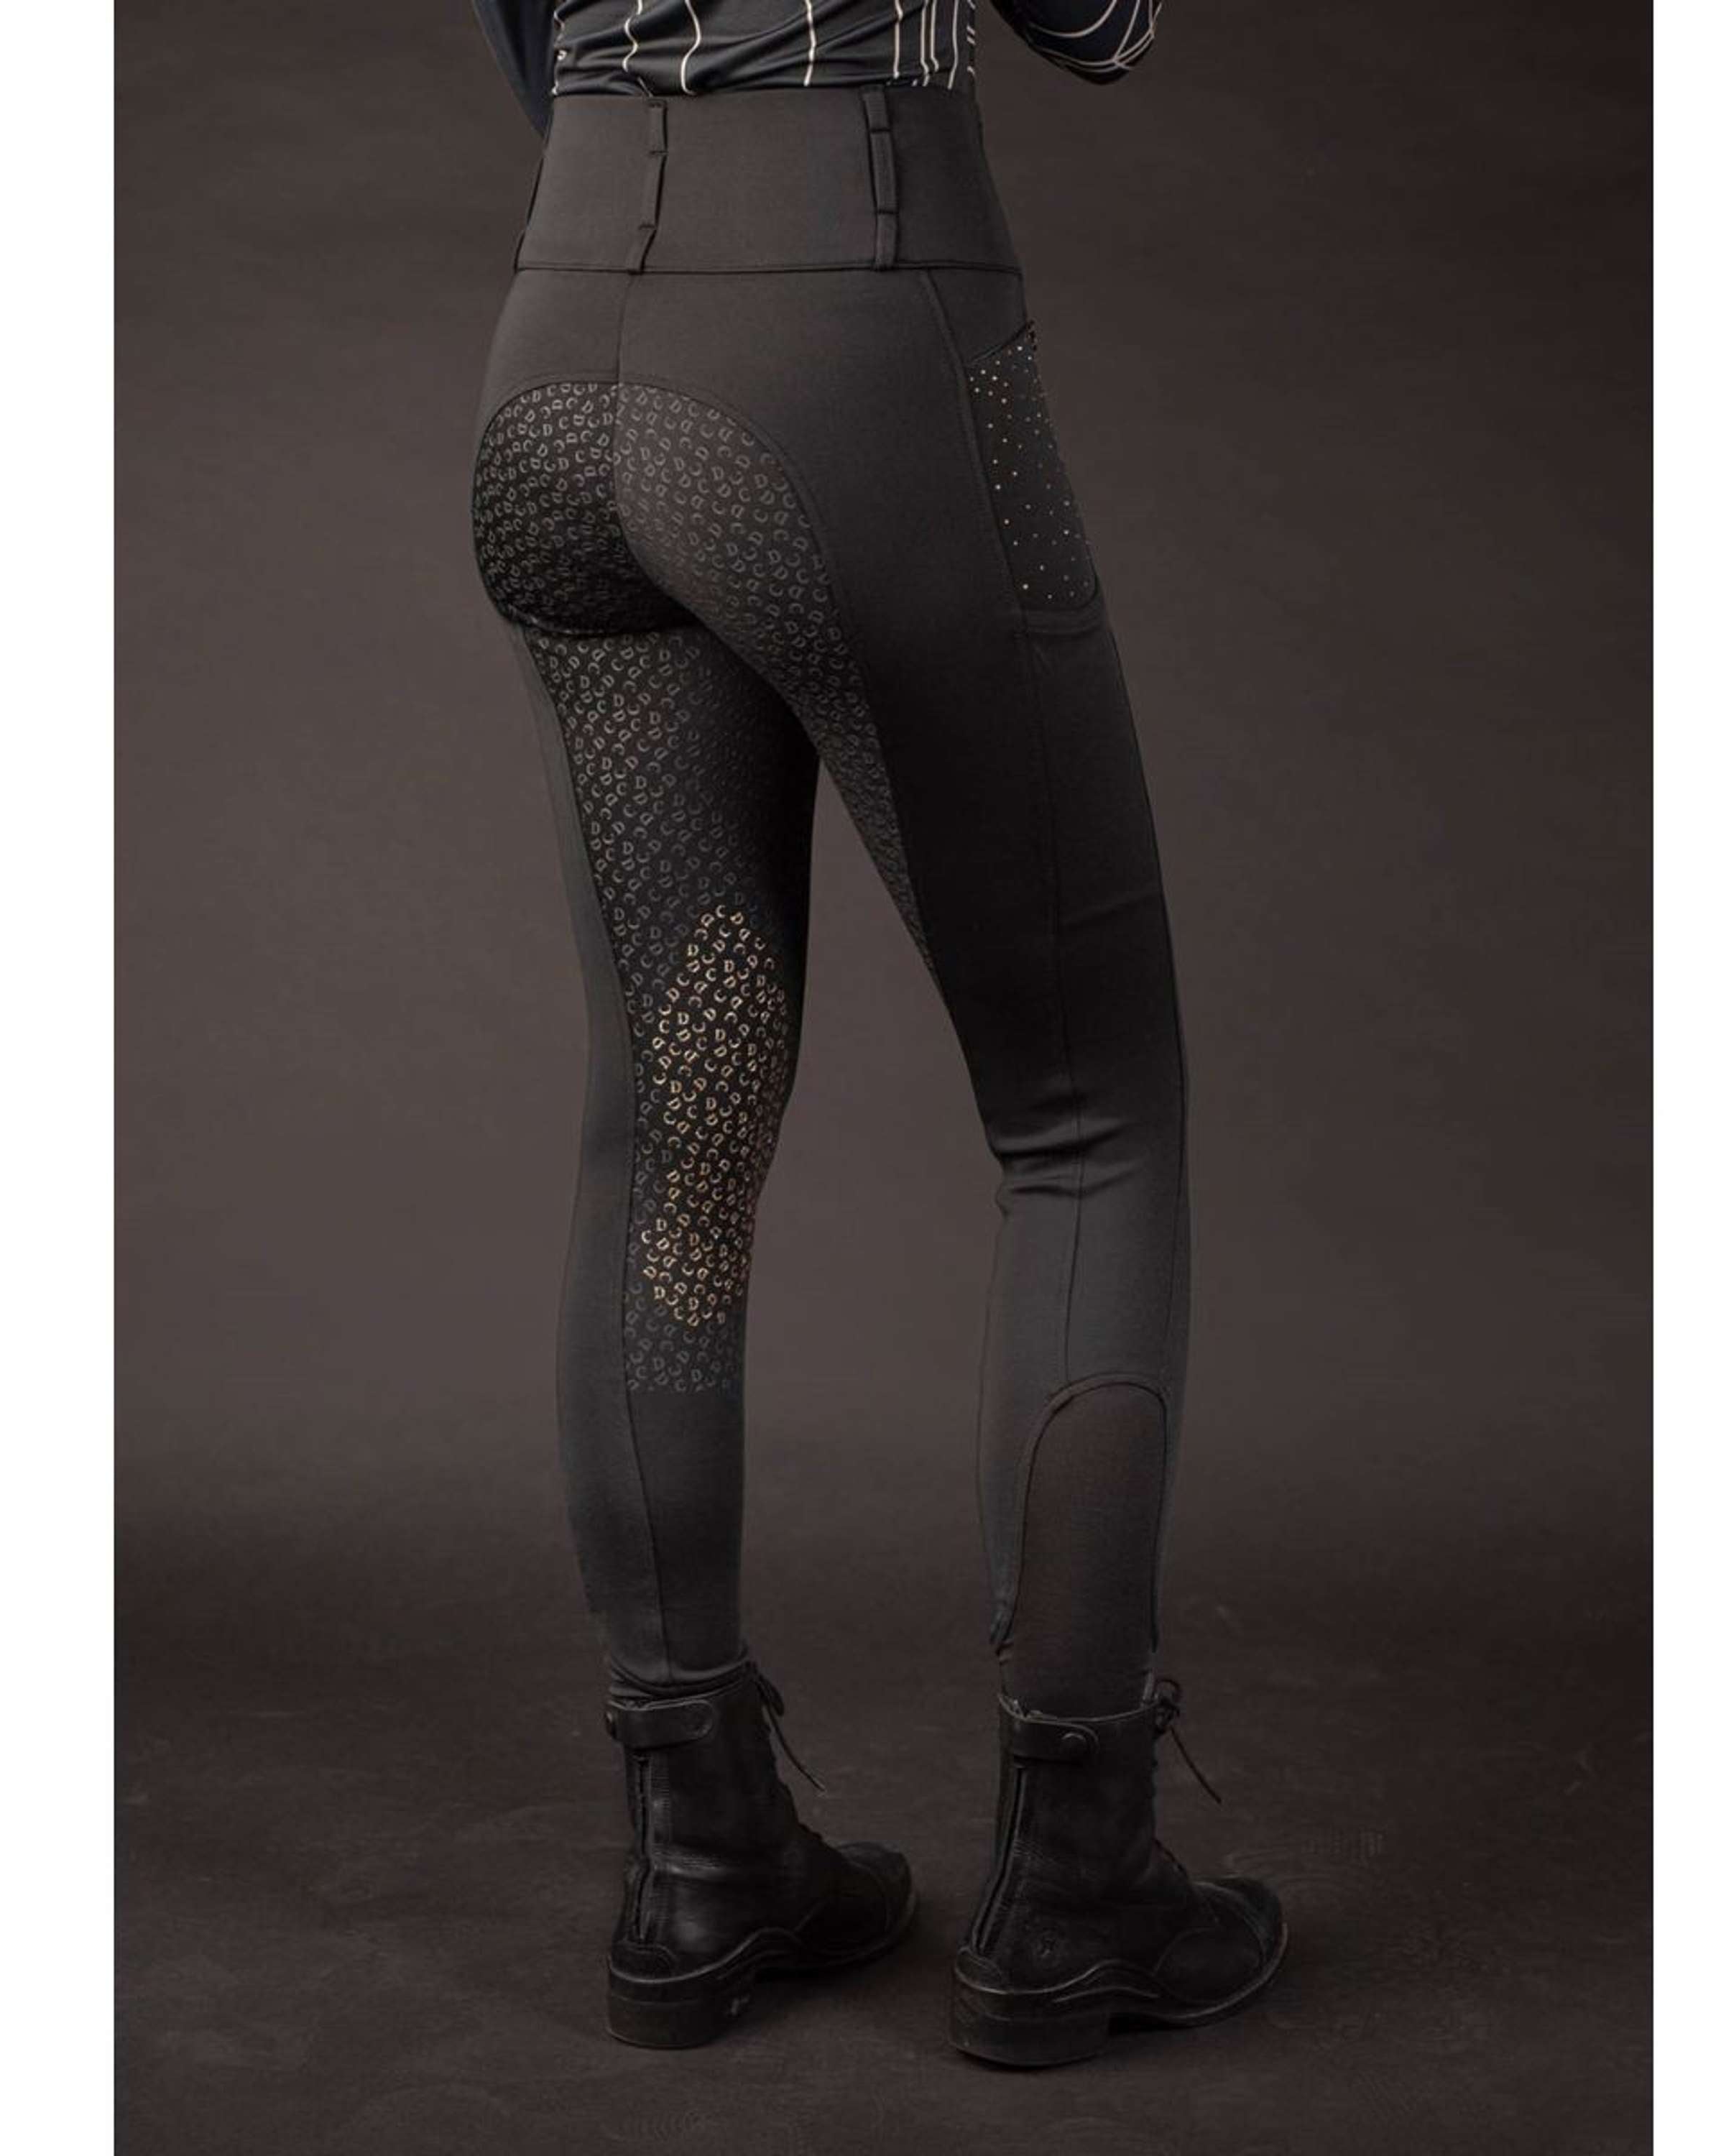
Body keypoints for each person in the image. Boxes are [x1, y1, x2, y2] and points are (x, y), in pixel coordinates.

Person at [466, 0, 1284, 2066]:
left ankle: (704, 1855)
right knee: (1089, 1120)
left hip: (560, 346)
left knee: (673, 1124)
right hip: (848, 325)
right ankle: (1079, 1883)